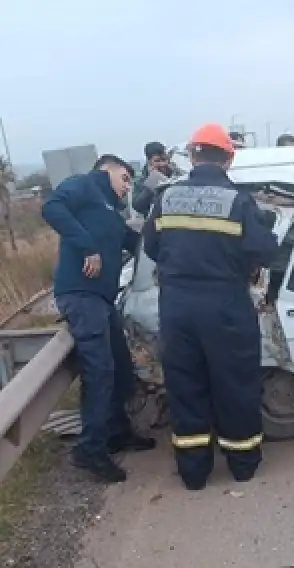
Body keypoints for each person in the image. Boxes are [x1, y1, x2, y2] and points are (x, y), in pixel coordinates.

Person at [142, 124, 278, 491]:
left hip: (176, 305)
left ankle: (194, 473)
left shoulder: (166, 197)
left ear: (192, 156)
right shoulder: (238, 201)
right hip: (224, 304)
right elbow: (266, 251)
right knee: (234, 383)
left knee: (185, 385)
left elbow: (152, 247)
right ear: (229, 158)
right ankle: (242, 464)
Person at [41, 155, 156, 483]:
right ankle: (90, 450)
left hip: (102, 300)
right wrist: (88, 247)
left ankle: (118, 431)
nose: (127, 187)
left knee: (121, 368)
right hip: (80, 295)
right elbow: (52, 209)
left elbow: (135, 244)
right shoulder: (85, 185)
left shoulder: (111, 213)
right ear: (109, 170)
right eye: (125, 179)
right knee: (100, 370)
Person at [131, 142, 176, 216]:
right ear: (149, 162)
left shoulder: (176, 176)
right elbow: (137, 206)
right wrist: (152, 182)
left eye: (164, 160)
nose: (162, 164)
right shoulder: (140, 181)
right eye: (157, 161)